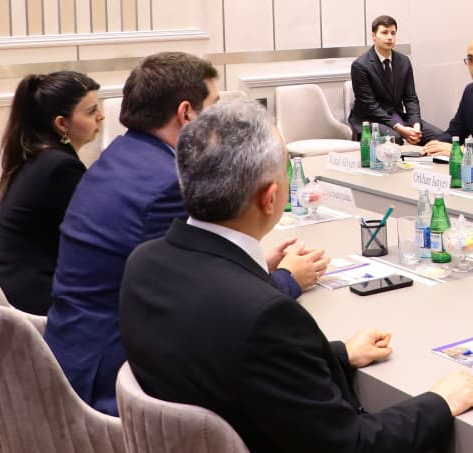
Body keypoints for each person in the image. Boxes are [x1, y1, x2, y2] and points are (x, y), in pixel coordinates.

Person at [121, 99, 473, 452]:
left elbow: (235, 364)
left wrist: (338, 354)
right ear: (270, 198)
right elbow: (352, 445)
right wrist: (440, 401)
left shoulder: (143, 265)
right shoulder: (265, 316)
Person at [46, 52, 327, 415]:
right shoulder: (168, 185)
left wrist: (250, 267)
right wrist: (287, 279)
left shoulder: (120, 155)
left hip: (73, 345)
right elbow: (196, 306)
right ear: (187, 114)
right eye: (214, 106)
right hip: (113, 375)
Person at [0, 71, 102, 315]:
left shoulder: (36, 156)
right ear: (62, 124)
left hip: (10, 290)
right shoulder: (59, 168)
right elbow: (94, 234)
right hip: (35, 301)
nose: (101, 116)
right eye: (91, 111)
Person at [347, 15, 443, 144]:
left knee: (441, 137)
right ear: (373, 36)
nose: (389, 37)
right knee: (395, 139)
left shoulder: (404, 61)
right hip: (370, 119)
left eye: (393, 33)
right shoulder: (360, 65)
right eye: (384, 32)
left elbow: (410, 98)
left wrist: (415, 125)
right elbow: (370, 106)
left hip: (397, 116)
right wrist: (400, 128)